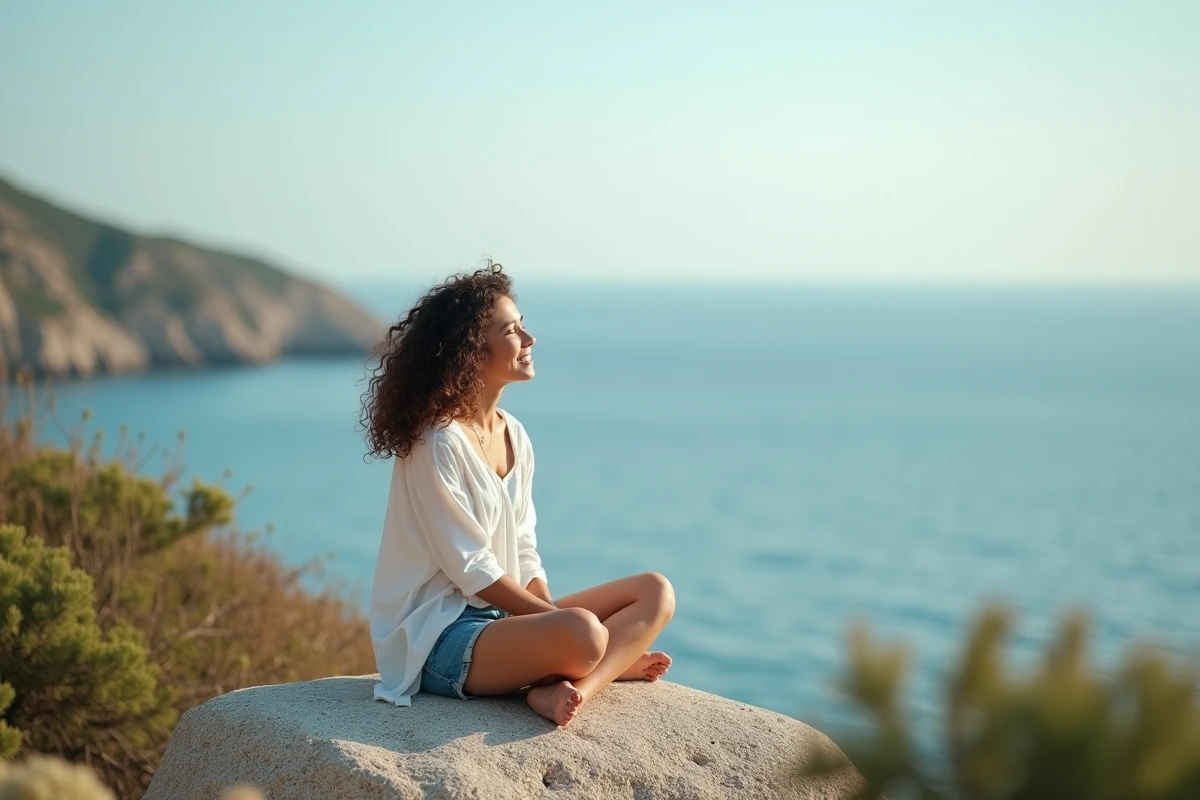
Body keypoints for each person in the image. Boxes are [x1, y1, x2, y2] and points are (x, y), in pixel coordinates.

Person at [360, 262, 674, 727]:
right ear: (470, 350)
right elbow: (472, 569)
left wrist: (547, 621)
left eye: (523, 326)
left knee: (655, 590)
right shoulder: (436, 441)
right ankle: (598, 661)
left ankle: (572, 689)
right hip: (438, 639)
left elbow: (524, 550)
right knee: (585, 632)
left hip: (500, 622)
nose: (529, 339)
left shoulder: (515, 435)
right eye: (512, 330)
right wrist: (553, 623)